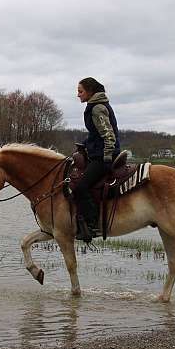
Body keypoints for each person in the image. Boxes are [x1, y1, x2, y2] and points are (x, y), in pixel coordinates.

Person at [74, 77, 120, 242]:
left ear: (90, 91)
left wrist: (107, 157)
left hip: (104, 156)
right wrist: (85, 144)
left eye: (80, 91)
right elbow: (96, 134)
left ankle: (92, 224)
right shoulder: (93, 106)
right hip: (98, 153)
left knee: (81, 187)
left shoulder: (97, 108)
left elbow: (109, 135)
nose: (78, 95)